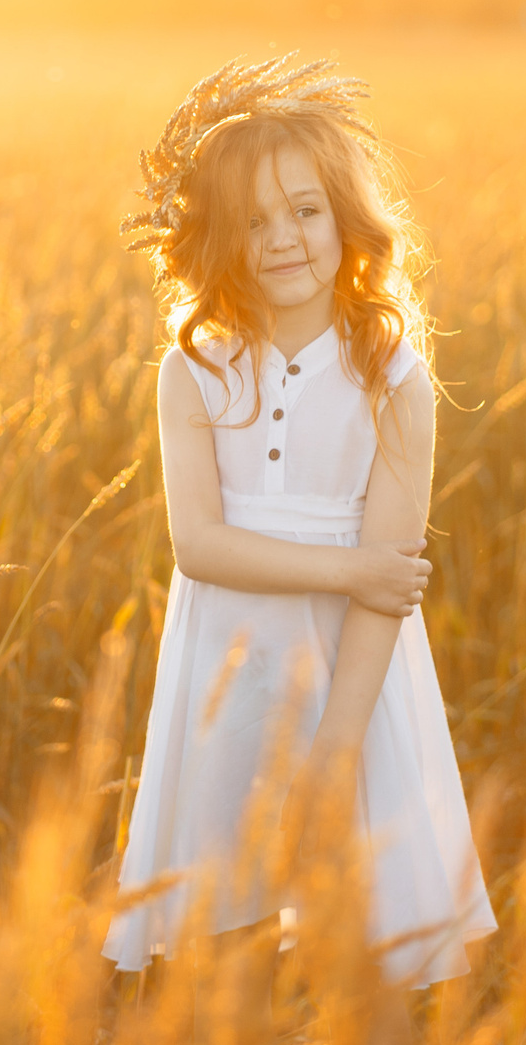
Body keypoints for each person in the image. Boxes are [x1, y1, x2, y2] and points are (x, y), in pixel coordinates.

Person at [103, 51, 497, 994]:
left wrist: (335, 750)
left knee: (363, 917)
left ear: (345, 220)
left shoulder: (393, 373)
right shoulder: (195, 368)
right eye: (252, 221)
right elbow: (198, 544)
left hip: (354, 677)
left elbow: (389, 582)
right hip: (229, 666)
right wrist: (349, 569)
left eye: (306, 211)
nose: (283, 239)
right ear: (217, 239)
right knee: (225, 902)